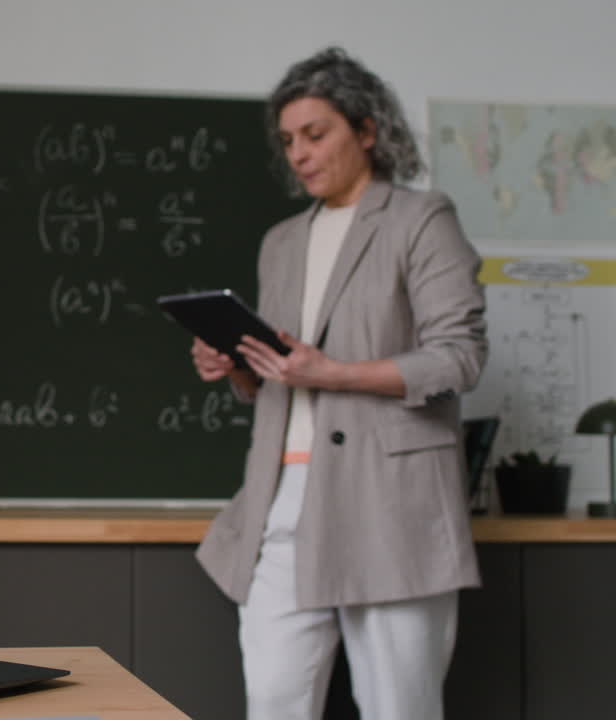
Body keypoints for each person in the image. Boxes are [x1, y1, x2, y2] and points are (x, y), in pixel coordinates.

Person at [192, 47, 488, 720]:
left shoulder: (422, 218)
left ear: (367, 130)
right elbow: (283, 373)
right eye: (288, 140)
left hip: (389, 501)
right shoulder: (280, 242)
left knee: (398, 708)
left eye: (315, 134)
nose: (297, 153)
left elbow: (458, 358)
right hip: (280, 498)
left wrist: (333, 372)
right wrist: (236, 366)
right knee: (273, 701)